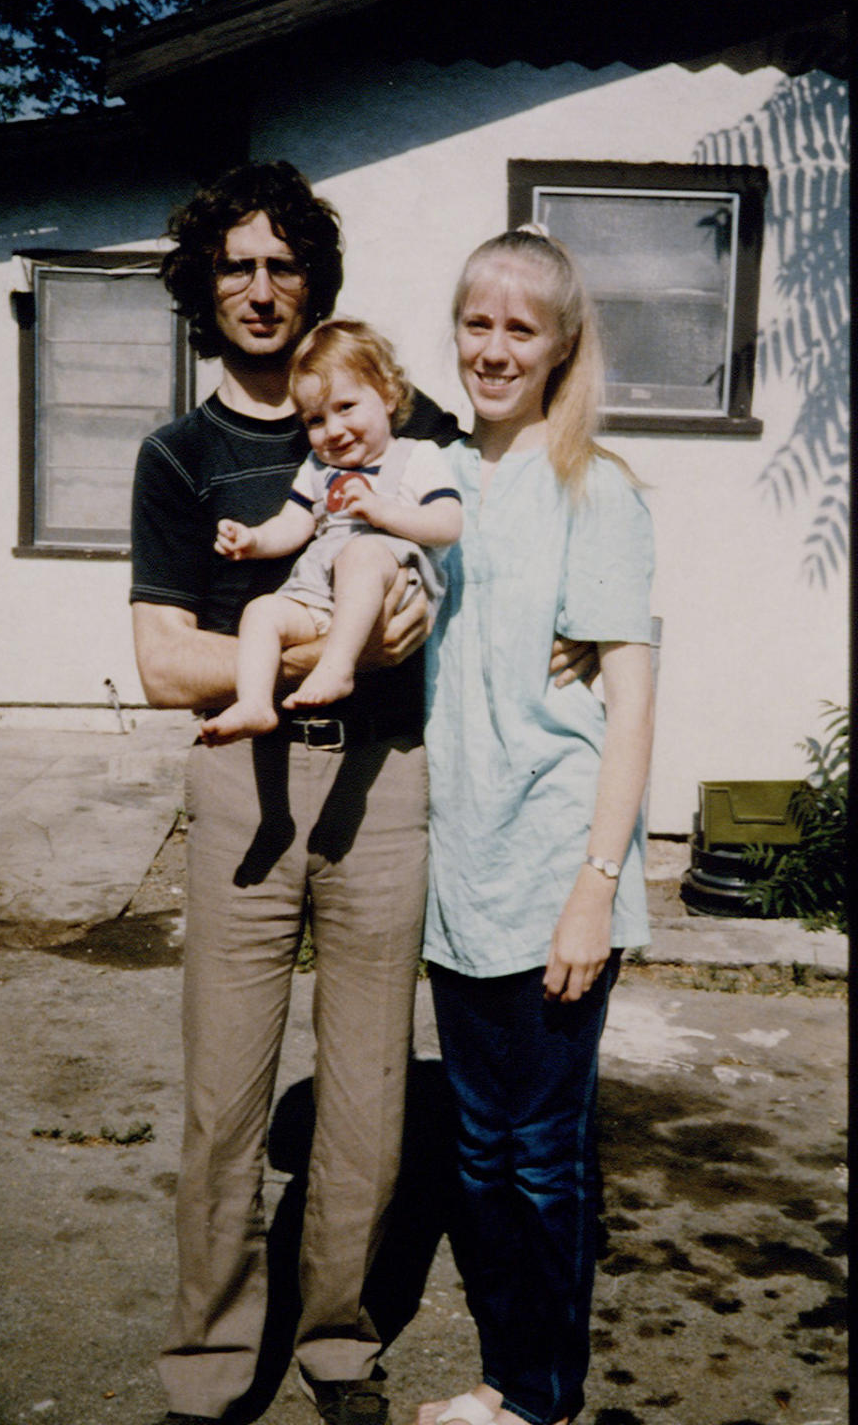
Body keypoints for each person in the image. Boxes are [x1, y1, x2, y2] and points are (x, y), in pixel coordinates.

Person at [130, 160, 594, 1425]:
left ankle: (338, 1343)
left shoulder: (399, 418)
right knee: (226, 1098)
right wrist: (323, 644)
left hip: (389, 791)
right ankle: (213, 1364)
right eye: (238, 265)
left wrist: (578, 640)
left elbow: (498, 546)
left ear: (314, 280)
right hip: (244, 788)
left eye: (285, 264)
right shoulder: (180, 457)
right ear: (204, 286)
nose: (263, 288)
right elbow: (166, 660)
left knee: (371, 1094)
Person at [415, 226, 655, 1425]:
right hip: (461, 875)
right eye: (477, 322)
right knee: (476, 1150)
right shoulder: (440, 478)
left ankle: (541, 1399)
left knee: (539, 1155)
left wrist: (596, 883)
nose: (495, 347)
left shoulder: (595, 487)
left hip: (558, 870)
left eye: (522, 328)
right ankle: (505, 1380)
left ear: (561, 347)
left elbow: (635, 700)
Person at [202, 319, 462, 742]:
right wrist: (254, 540)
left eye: (346, 407)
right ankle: (253, 704)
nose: (334, 430)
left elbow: (448, 523)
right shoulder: (319, 469)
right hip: (321, 594)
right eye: (316, 419)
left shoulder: (417, 456)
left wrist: (381, 512)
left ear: (389, 395)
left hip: (392, 582)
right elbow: (294, 523)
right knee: (261, 611)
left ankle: (337, 669)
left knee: (360, 554)